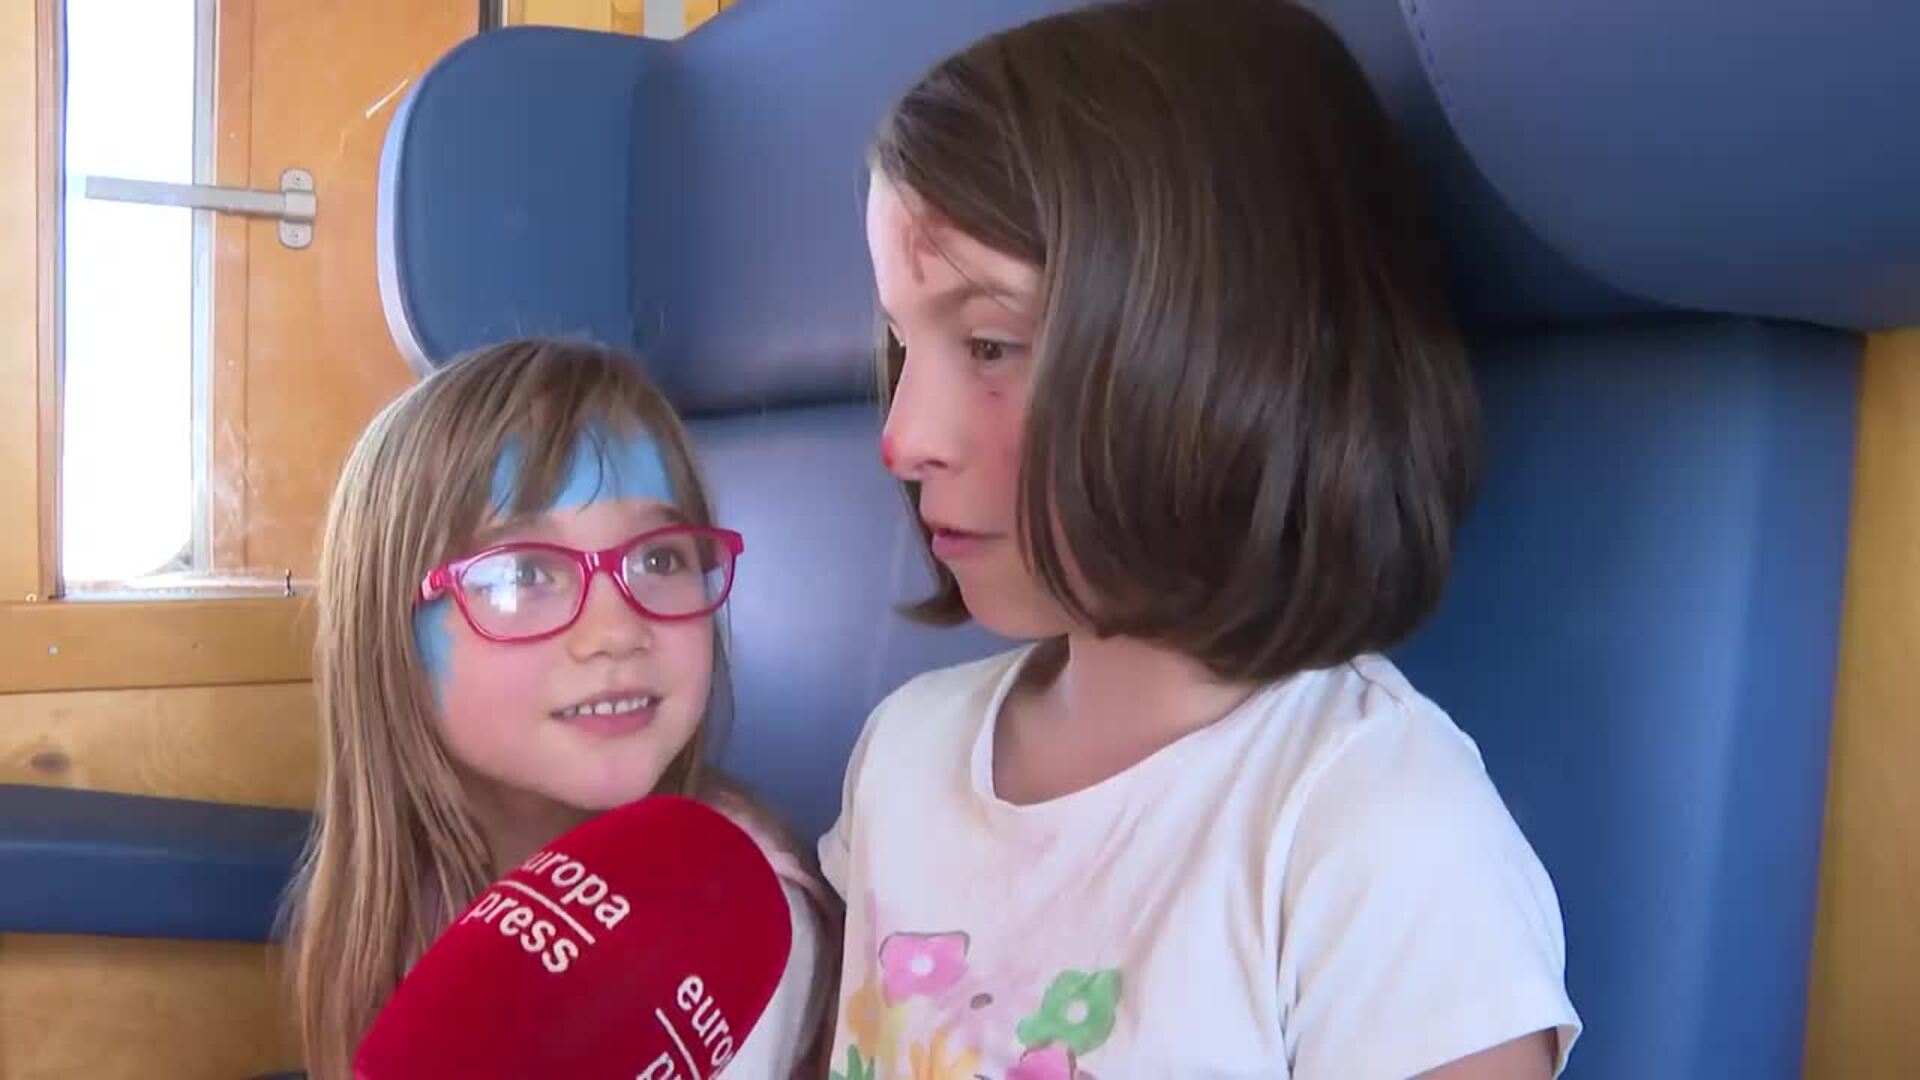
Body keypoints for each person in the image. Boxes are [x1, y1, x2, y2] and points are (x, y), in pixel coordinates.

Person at [819, 1, 1581, 1077]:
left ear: (1231, 363)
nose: (902, 440)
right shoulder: (904, 756)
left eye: (990, 343)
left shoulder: (1375, 839)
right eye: (904, 346)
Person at [281, 338, 836, 1079]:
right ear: (389, 641)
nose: (615, 632)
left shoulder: (737, 922)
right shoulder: (408, 891)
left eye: (660, 559)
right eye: (522, 573)